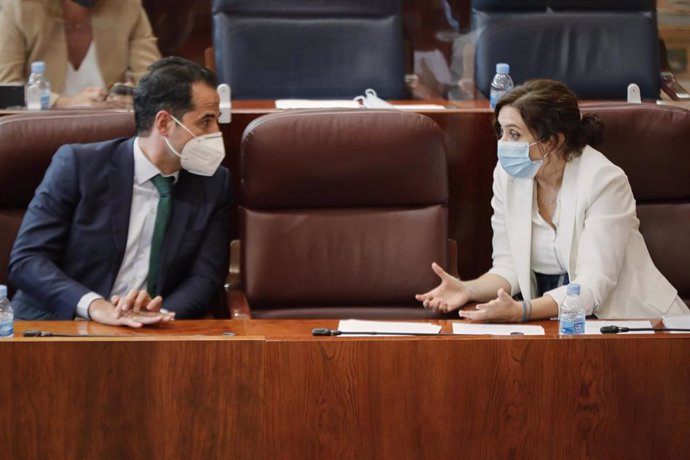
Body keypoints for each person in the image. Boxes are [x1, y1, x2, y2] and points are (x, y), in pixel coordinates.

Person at [417, 79, 690, 322]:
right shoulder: (507, 176)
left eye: (514, 134)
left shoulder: (604, 180)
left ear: (553, 141)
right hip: (560, 319)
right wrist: (468, 289)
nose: (503, 144)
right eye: (501, 132)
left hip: (639, 323)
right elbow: (507, 268)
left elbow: (593, 285)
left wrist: (523, 311)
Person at [8, 56, 232, 327]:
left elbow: (205, 277)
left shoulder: (213, 183)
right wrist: (95, 306)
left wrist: (158, 315)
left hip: (152, 334)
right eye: (206, 121)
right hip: (61, 325)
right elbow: (27, 261)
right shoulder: (79, 166)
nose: (216, 132)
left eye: (216, 120)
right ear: (164, 123)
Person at [0, 0, 161, 108]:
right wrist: (66, 103)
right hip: (37, 132)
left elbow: (155, 79)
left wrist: (134, 97)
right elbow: (5, 89)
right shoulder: (18, 6)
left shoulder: (127, 5)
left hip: (110, 131)